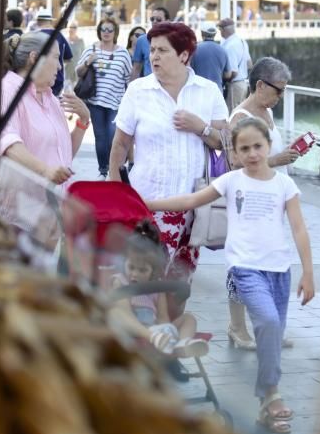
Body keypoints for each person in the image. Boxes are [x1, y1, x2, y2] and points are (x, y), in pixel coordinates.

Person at [147, 117, 315, 434]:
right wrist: (147, 202)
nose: (252, 154)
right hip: (244, 268)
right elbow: (190, 201)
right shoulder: (231, 181)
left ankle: (267, 402)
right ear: (234, 154)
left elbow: (298, 229)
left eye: (258, 146)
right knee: (267, 321)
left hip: (280, 270)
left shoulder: (284, 185)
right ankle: (272, 393)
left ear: (268, 146)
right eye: (244, 149)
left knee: (273, 335)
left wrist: (308, 272)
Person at [109, 22, 228, 320]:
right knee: (143, 283)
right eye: (152, 50)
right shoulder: (138, 90)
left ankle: (170, 343)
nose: (154, 57)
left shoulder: (208, 91)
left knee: (178, 284)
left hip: (193, 208)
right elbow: (121, 144)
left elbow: (225, 142)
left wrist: (199, 127)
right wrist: (114, 188)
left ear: (185, 55)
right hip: (147, 206)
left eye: (163, 50)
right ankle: (145, 347)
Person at [227, 57, 306, 350]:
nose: (281, 96)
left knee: (270, 261)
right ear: (260, 85)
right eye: (278, 90)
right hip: (249, 201)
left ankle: (267, 325)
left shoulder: (266, 113)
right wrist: (275, 159)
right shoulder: (241, 117)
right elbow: (235, 163)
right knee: (243, 263)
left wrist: (283, 155)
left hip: (272, 196)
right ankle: (237, 327)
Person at [0, 30, 90, 189]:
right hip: (22, 206)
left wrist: (83, 121)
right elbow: (7, 143)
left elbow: (64, 155)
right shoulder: (8, 90)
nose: (60, 66)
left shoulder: (51, 99)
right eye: (56, 57)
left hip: (52, 206)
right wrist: (45, 170)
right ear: (34, 58)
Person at [111, 220, 208, 358]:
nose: (134, 274)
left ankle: (182, 344)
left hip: (156, 329)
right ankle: (155, 338)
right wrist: (152, 334)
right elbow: (125, 312)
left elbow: (162, 317)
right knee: (116, 313)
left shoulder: (157, 286)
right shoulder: (120, 281)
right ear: (124, 262)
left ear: (153, 271)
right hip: (132, 330)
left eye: (142, 270)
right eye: (131, 267)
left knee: (189, 318)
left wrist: (166, 330)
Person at [76, 18, 132, 179]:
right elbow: (78, 73)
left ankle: (114, 168)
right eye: (103, 29)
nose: (106, 32)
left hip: (116, 103)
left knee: (112, 135)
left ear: (115, 33)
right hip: (95, 102)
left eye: (110, 29)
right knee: (100, 137)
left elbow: (128, 78)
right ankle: (103, 170)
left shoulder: (122, 53)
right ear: (99, 31)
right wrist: (88, 62)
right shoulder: (91, 49)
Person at [217, 17, 252, 112]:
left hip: (234, 85)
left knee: (232, 114)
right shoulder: (242, 42)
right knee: (240, 113)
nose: (219, 32)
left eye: (220, 30)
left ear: (223, 30)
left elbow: (233, 73)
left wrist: (222, 79)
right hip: (243, 84)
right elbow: (249, 64)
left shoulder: (230, 46)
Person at [36, 9, 73, 96]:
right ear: (50, 21)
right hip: (57, 79)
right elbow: (69, 58)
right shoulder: (59, 36)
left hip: (38, 79)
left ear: (37, 21)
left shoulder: (34, 36)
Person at [190, 21, 232, 93]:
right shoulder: (223, 50)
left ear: (202, 33)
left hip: (198, 90)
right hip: (217, 90)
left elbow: (188, 70)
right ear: (215, 34)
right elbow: (228, 75)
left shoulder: (194, 49)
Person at [130, 6, 170, 80]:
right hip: (148, 86)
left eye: (158, 19)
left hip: (168, 85)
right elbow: (136, 68)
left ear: (167, 21)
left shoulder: (173, 40)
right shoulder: (142, 40)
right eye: (152, 19)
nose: (154, 21)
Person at [64, 20, 84, 86]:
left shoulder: (81, 41)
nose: (72, 29)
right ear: (67, 28)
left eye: (74, 27)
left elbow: (83, 56)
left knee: (76, 94)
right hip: (67, 74)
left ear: (77, 29)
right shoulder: (64, 41)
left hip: (77, 75)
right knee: (66, 94)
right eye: (70, 27)